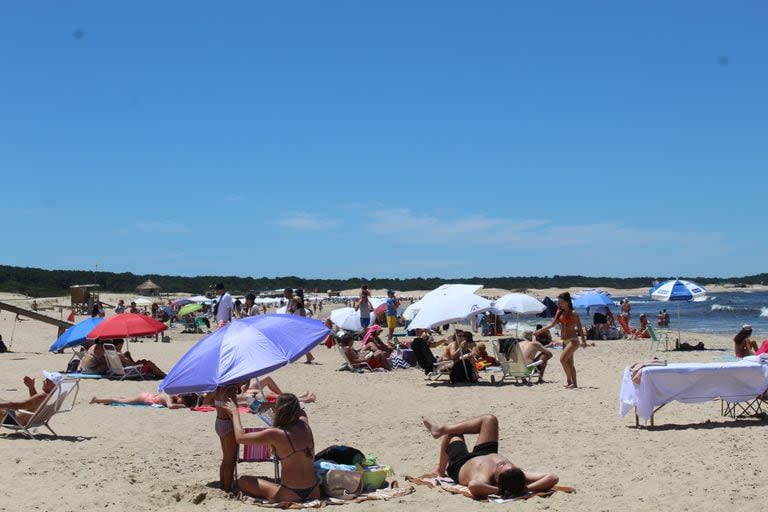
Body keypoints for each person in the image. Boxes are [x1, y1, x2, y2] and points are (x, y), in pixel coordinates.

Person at [423, 414, 559, 498]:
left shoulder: (484, 478)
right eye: (508, 465)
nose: (506, 463)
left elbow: (474, 486)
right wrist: (526, 489)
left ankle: (440, 470)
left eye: (502, 466)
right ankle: (441, 428)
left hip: (462, 463)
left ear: (498, 479)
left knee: (453, 435)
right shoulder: (517, 475)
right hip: (487, 452)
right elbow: (553, 477)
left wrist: (500, 490)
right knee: (489, 419)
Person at [222, 393, 320, 502]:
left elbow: (240, 438)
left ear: (278, 410)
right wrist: (272, 405)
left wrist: (235, 413)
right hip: (314, 492)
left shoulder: (276, 434)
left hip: (290, 493)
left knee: (243, 481)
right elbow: (301, 411)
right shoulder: (304, 423)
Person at [534, 292, 587, 388]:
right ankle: (572, 383)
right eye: (559, 302)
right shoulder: (559, 312)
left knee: (562, 360)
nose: (560, 304)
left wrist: (584, 341)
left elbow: (579, 328)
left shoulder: (573, 313)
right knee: (569, 362)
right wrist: (540, 331)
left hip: (573, 340)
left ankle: (571, 382)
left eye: (562, 302)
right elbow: (552, 324)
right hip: (564, 341)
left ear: (567, 302)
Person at [213, 384, 241, 492]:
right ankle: (227, 488)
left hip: (219, 421)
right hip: (228, 424)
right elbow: (231, 413)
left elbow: (206, 401)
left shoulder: (217, 387)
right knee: (231, 460)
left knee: (226, 458)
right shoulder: (231, 389)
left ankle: (222, 485)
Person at [89, 392, 194, 408]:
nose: (182, 403)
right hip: (144, 398)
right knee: (120, 401)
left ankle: (100, 400)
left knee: (122, 399)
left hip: (145, 396)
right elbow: (171, 406)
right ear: (180, 397)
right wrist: (183, 406)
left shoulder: (171, 396)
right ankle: (97, 399)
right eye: (183, 401)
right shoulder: (169, 397)